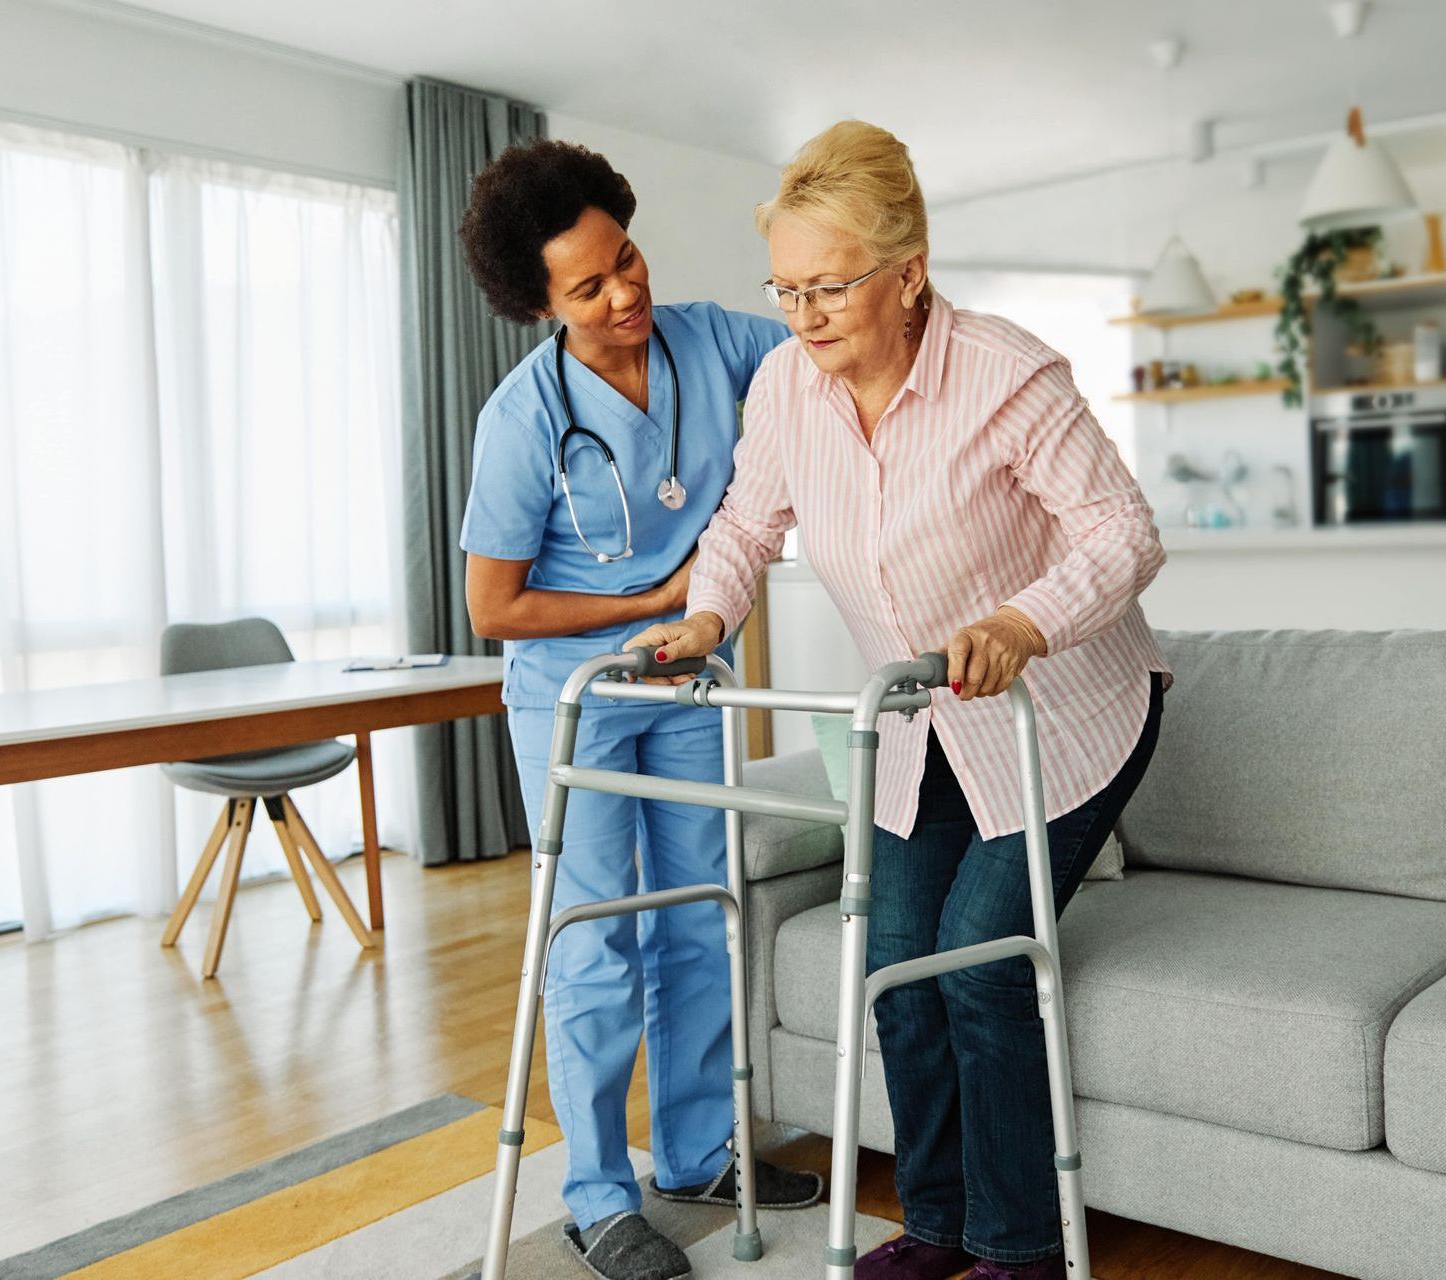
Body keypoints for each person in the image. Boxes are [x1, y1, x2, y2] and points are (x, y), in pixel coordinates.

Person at [628, 121, 1171, 1280]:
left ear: (908, 271)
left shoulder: (1007, 373)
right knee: (890, 960)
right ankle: (934, 1229)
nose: (805, 313)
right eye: (785, 288)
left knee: (977, 958)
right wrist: (707, 616)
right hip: (920, 727)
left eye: (829, 285)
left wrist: (1025, 621)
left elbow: (1125, 531)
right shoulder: (785, 386)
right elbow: (744, 523)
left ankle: (1020, 1251)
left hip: (1065, 714)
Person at [457, 139, 819, 1280]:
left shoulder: (719, 340)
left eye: (627, 259)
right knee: (597, 945)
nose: (626, 294)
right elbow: (494, 606)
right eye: (590, 287)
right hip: (580, 706)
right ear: (541, 304)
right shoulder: (524, 418)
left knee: (698, 918)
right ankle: (599, 1194)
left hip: (690, 686)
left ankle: (701, 1147)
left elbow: (820, 358)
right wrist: (657, 593)